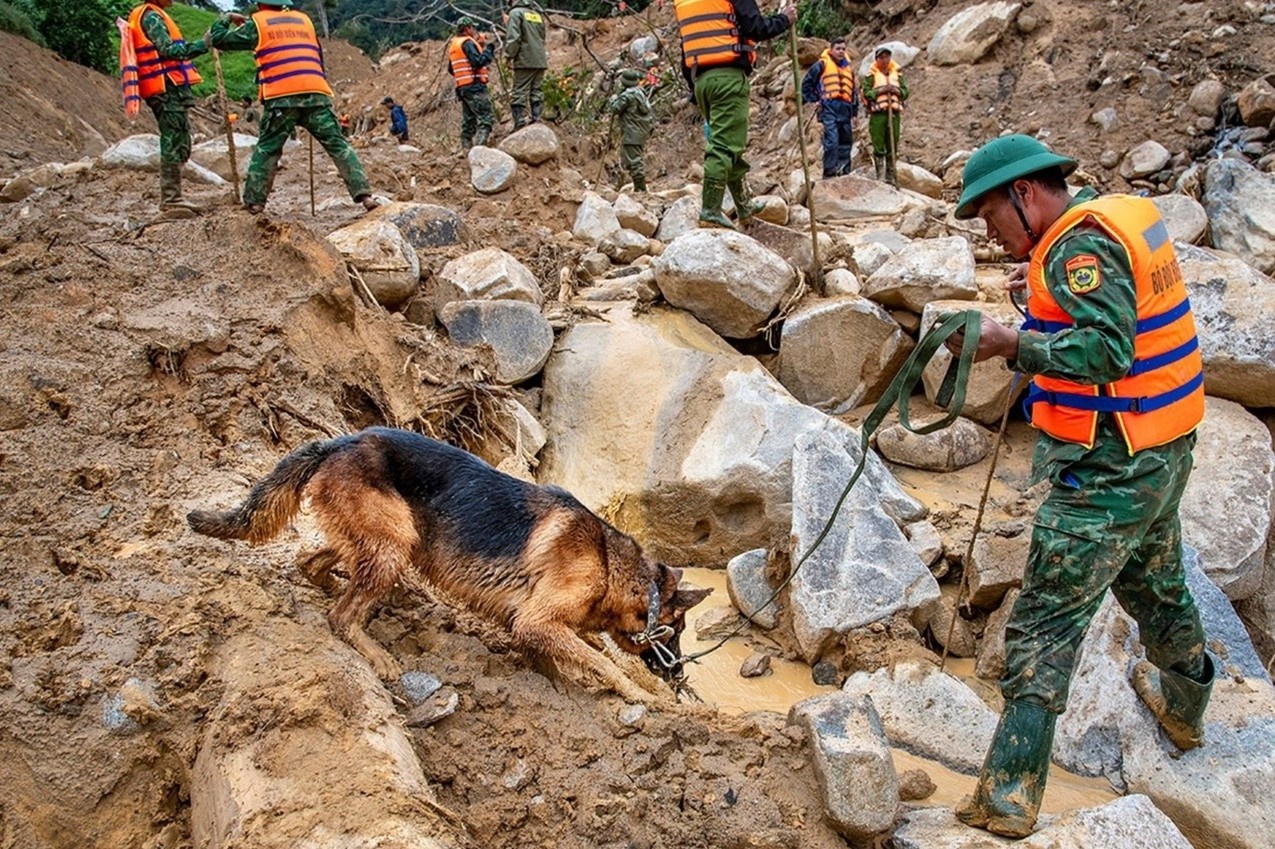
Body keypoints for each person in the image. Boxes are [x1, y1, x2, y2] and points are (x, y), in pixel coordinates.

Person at [947, 134, 1213, 838]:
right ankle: (1184, 705)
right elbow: (1108, 309)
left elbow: (1106, 349)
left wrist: (1013, 343)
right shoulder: (1104, 216)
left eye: (988, 216)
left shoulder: (1076, 249)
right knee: (1156, 582)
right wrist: (1037, 294)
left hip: (1110, 466)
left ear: (1024, 194)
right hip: (1163, 447)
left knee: (1044, 620)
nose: (988, 231)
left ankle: (1006, 793)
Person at [211, 1, 376, 215]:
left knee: (268, 149)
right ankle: (365, 195)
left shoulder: (258, 23)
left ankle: (254, 202)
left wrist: (226, 19)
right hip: (315, 92)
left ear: (261, 3)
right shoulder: (304, 20)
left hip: (281, 96)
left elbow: (219, 39)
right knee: (338, 145)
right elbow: (318, 56)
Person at [674, 0, 797, 229]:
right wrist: (785, 19)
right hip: (728, 78)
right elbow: (756, 29)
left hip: (701, 81)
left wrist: (695, 90)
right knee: (723, 147)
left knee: (731, 145)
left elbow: (686, 50)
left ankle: (744, 206)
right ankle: (710, 211)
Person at [126, 0, 209, 216]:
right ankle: (171, 199)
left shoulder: (150, 14)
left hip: (168, 88)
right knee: (173, 139)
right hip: (166, 88)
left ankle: (174, 197)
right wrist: (203, 44)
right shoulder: (151, 17)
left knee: (180, 138)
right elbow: (168, 49)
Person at [801, 36, 858, 179]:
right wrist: (814, 99)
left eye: (843, 49)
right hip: (828, 106)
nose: (841, 51)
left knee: (846, 140)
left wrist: (855, 113)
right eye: (838, 49)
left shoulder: (848, 69)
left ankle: (844, 170)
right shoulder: (822, 65)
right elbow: (806, 85)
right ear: (831, 50)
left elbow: (853, 92)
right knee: (832, 140)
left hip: (845, 108)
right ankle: (830, 171)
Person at [861, 46, 908, 186]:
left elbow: (906, 92)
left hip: (893, 114)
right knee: (878, 143)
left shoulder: (897, 75)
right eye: (881, 57)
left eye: (887, 56)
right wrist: (881, 91)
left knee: (892, 143)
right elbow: (866, 93)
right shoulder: (871, 76)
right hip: (878, 115)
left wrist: (896, 91)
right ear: (876, 59)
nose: (885, 59)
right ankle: (880, 175)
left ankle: (891, 175)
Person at [448, 17, 496, 149]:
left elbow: (451, 69)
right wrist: (489, 49)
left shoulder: (454, 45)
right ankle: (480, 149)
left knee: (468, 121)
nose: (474, 30)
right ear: (467, 28)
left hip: (463, 88)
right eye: (473, 27)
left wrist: (479, 46)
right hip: (475, 86)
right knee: (486, 117)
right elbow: (478, 62)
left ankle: (466, 149)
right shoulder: (468, 43)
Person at [608, 68, 654, 191]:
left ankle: (640, 189)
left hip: (631, 132)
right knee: (635, 158)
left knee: (634, 161)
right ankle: (639, 187)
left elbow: (615, 109)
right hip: (640, 131)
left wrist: (613, 99)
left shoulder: (627, 96)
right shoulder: (640, 93)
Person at [504, 0, 548, 129]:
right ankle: (536, 117)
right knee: (537, 90)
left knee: (519, 91)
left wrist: (508, 56)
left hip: (525, 59)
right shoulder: (537, 14)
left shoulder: (515, 13)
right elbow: (542, 37)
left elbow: (514, 38)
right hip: (540, 59)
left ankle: (519, 121)